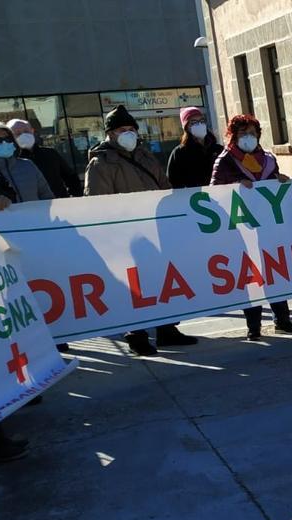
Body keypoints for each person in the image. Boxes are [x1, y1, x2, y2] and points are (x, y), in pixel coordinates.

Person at [85, 105, 197, 356]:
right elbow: (95, 203)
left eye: (131, 129)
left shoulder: (145, 156)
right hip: (124, 236)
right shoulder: (101, 162)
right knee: (132, 287)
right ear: (110, 134)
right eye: (122, 130)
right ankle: (136, 335)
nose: (129, 134)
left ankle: (167, 329)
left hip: (154, 231)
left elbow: (164, 187)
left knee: (160, 280)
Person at [209, 114, 292, 341]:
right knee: (251, 277)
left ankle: (282, 320)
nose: (248, 138)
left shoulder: (268, 158)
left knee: (274, 272)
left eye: (252, 133)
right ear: (233, 136)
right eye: (243, 134)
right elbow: (214, 192)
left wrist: (279, 180)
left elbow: (272, 185)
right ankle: (254, 326)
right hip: (242, 229)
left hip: (269, 227)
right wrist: (234, 185)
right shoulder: (225, 160)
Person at [6, 119, 79, 198]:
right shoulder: (10, 160)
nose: (23, 135)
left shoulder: (50, 153)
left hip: (58, 204)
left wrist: (75, 197)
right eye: (18, 133)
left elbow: (70, 177)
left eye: (26, 131)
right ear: (10, 137)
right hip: (30, 207)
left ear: (32, 131)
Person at [0, 123, 54, 203]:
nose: (4, 143)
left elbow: (47, 196)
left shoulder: (28, 165)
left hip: (35, 215)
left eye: (8, 139)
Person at [167, 107, 224, 189]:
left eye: (202, 121)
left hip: (219, 195)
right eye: (194, 122)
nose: (199, 124)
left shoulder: (218, 149)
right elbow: (172, 183)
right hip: (193, 198)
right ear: (186, 127)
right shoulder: (179, 153)